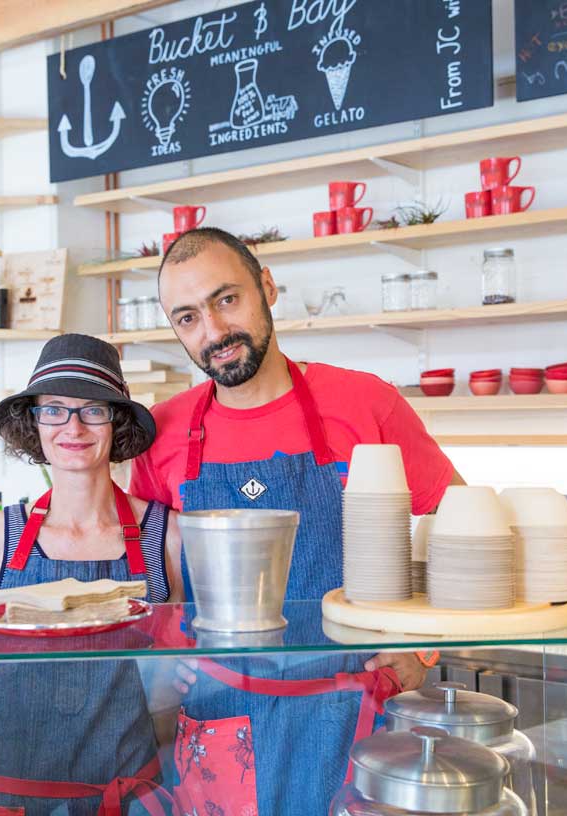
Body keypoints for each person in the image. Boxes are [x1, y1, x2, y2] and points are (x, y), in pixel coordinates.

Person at [130, 227, 465, 813]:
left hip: (352, 704)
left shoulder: (365, 404)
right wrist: (165, 659)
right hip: (219, 710)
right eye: (187, 318)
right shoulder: (162, 433)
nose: (212, 332)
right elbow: (148, 573)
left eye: (226, 299)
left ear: (267, 286)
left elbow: (459, 522)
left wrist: (425, 646)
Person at [0, 334, 182, 816]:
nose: (73, 426)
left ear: (117, 420)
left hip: (126, 800)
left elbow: (169, 695)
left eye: (93, 409)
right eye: (54, 409)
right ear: (34, 422)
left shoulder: (165, 535)